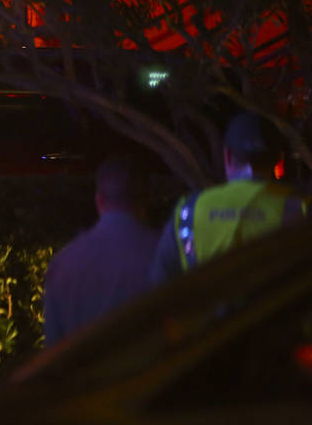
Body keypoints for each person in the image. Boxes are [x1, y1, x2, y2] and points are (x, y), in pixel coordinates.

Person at [149, 112, 308, 285]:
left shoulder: (189, 211)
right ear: (278, 160)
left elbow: (160, 285)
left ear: (227, 156)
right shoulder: (300, 208)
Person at [43, 155, 159, 347]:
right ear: (147, 198)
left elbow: (53, 347)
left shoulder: (62, 265)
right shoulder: (165, 254)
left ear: (99, 200)